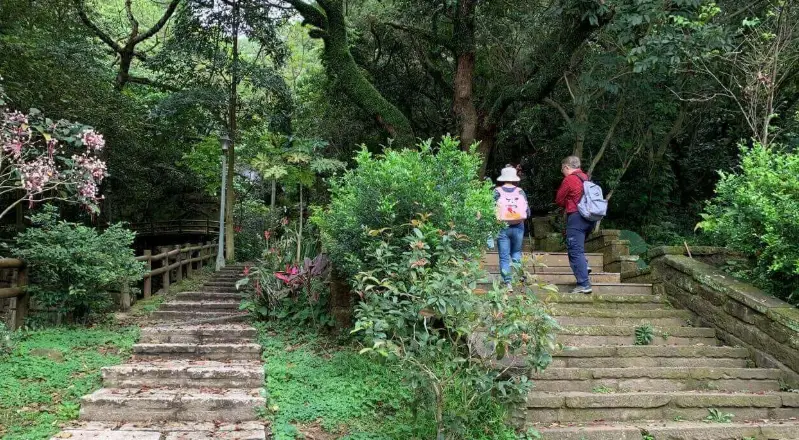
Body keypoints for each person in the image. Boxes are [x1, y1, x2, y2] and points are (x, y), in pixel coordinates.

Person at [555, 156, 594, 294]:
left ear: (566, 167)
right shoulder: (586, 178)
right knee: (579, 248)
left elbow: (559, 199)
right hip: (590, 218)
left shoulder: (569, 179)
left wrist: (567, 201)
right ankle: (585, 265)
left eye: (562, 169)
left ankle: (584, 284)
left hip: (576, 217)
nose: (562, 172)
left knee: (575, 250)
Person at [494, 165, 530, 291]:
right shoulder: (520, 191)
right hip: (518, 226)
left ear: (503, 178)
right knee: (516, 252)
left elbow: (490, 210)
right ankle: (520, 277)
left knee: (504, 256)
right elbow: (528, 212)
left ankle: (507, 282)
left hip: (502, 227)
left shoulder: (497, 192)